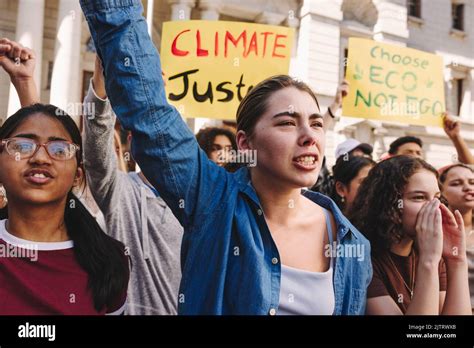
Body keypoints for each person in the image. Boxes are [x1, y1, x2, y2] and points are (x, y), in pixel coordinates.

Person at [81, 0, 372, 315]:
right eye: (287, 123)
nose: (309, 136)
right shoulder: (214, 202)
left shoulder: (352, 243)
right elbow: (149, 112)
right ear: (246, 144)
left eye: (316, 123)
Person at [82, 56, 183, 314]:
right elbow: (96, 148)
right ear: (131, 141)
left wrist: (156, 97)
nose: (159, 140)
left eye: (167, 133)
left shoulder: (196, 198)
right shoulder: (119, 191)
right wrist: (103, 83)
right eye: (146, 133)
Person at [349, 156, 471, 315]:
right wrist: (428, 262)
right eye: (419, 197)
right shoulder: (361, 259)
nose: (435, 207)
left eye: (437, 198)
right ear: (388, 202)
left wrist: (457, 260)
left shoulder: (432, 256)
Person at [439, 163, 474, 311]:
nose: (468, 188)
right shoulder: (432, 233)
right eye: (456, 183)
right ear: (440, 192)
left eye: (472, 182)